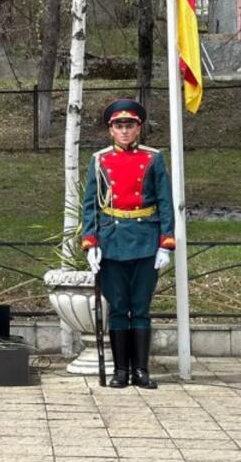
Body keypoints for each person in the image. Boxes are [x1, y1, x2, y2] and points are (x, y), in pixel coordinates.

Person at [82, 99, 174, 389]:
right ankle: (121, 371)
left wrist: (165, 244)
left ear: (138, 128)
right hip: (112, 240)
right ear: (111, 130)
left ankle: (141, 371)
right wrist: (91, 242)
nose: (124, 131)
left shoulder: (153, 158)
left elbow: (165, 203)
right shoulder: (99, 160)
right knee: (119, 307)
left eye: (129, 125)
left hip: (146, 239)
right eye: (119, 126)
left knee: (141, 307)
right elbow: (90, 206)